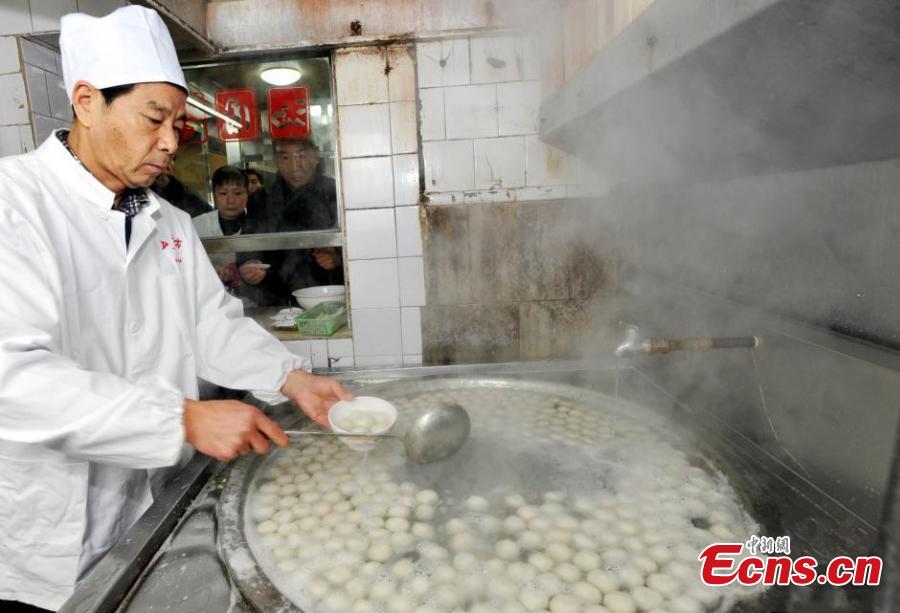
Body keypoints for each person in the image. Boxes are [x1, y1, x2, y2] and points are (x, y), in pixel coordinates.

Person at [0, 7, 352, 612]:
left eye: (178, 124)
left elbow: (208, 324)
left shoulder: (169, 222)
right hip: (47, 536)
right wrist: (180, 419)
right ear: (87, 101)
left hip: (146, 511)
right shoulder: (15, 205)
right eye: (154, 119)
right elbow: (13, 378)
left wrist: (290, 378)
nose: (170, 142)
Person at [239, 138, 343, 306]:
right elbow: (248, 243)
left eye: (301, 155)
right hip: (276, 300)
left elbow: (359, 246)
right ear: (276, 161)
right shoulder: (261, 199)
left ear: (316, 155)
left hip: (329, 297)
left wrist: (338, 258)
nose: (295, 166)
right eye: (285, 158)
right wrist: (250, 264)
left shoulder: (337, 193)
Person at [193, 165, 255, 292]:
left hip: (252, 301)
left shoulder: (259, 224)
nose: (231, 200)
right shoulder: (197, 225)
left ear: (248, 194)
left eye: (238, 193)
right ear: (214, 195)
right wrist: (209, 271)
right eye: (223, 193)